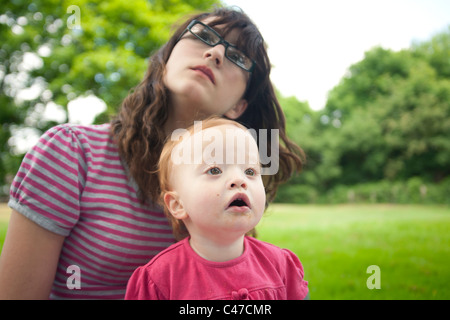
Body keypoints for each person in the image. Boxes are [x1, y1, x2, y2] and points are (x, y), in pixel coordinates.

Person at [0, 7, 305, 299]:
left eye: (237, 56)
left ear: (239, 105)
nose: (216, 53)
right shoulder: (71, 152)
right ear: (166, 58)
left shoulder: (235, 181)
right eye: (204, 36)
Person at [125, 117, 309, 300]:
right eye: (214, 170)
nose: (239, 180)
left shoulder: (280, 265)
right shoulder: (159, 279)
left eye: (250, 171)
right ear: (178, 204)